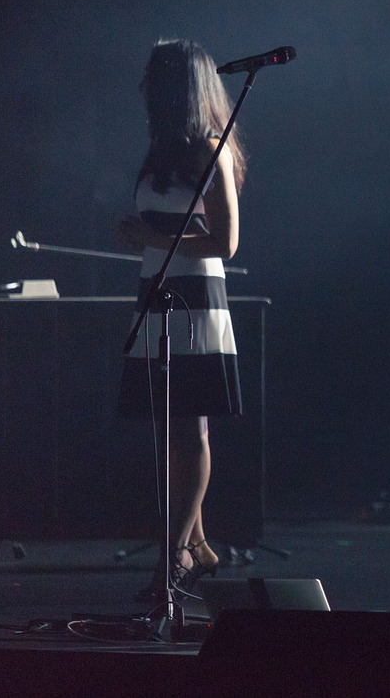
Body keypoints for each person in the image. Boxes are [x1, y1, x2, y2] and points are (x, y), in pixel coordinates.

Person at [117, 39, 246, 603]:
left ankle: (175, 556)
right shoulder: (163, 149)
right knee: (168, 428)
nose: (143, 88)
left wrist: (147, 235)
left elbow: (226, 242)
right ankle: (196, 546)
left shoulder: (209, 150)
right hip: (158, 290)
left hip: (194, 296)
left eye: (153, 79)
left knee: (189, 429)